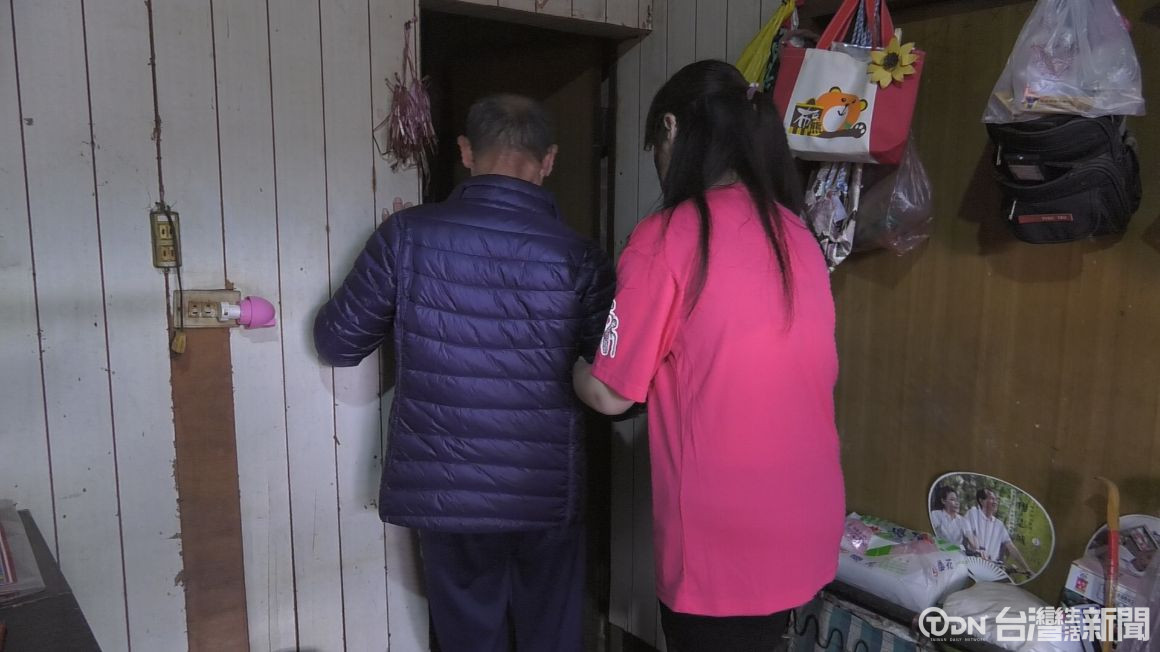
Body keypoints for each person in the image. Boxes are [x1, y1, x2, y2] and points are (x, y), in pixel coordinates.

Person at [313, 94, 614, 652]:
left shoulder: (406, 236)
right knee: (552, 634)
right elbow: (614, 381)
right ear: (548, 160)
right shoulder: (582, 257)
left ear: (465, 152)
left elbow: (337, 342)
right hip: (545, 489)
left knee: (468, 637)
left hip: (446, 492)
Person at [571, 60, 846, 652]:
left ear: (671, 127)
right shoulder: (797, 234)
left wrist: (574, 367)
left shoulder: (668, 234)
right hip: (806, 517)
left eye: (654, 142)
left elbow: (610, 393)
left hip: (722, 541)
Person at [966, 488, 1031, 573]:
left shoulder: (999, 525)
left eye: (996, 499)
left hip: (992, 569)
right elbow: (970, 535)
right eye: (992, 499)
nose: (995, 502)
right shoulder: (973, 513)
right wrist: (978, 550)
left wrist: (1027, 569)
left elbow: (1011, 547)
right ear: (981, 501)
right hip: (972, 565)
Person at [930, 485, 981, 554]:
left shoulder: (963, 521)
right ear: (943, 501)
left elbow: (974, 546)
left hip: (957, 556)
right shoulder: (936, 514)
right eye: (952, 499)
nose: (957, 503)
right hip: (938, 554)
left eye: (957, 500)